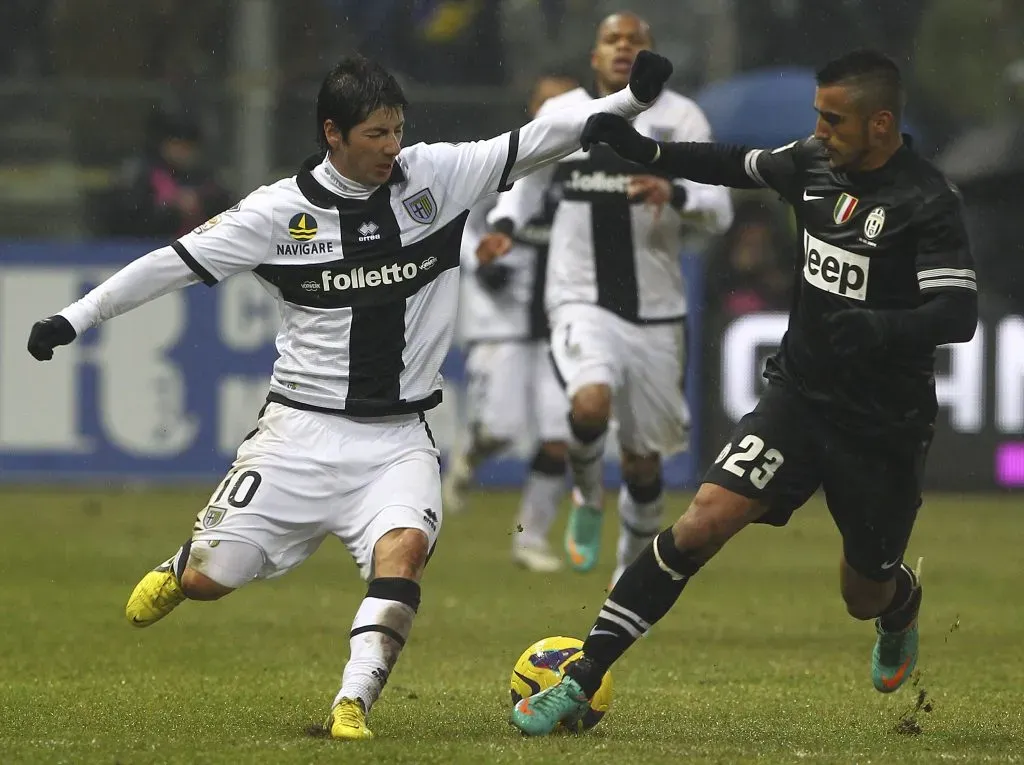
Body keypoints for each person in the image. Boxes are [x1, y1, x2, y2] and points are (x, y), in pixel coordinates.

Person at [26, 51, 673, 741]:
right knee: (216, 577)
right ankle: (186, 565)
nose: (392, 148)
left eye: (397, 130)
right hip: (298, 434)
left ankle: (352, 702)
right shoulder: (278, 213)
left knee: (404, 549)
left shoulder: (437, 177)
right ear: (333, 132)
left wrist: (629, 100)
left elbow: (539, 136)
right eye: (376, 135)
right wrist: (75, 318)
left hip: (399, 436)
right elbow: (169, 265)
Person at [509, 49, 979, 735]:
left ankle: (899, 602)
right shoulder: (813, 164)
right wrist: (644, 149)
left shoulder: (927, 202)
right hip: (798, 399)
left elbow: (957, 314)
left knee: (863, 589)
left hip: (883, 426)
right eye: (817, 115)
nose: (819, 130)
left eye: (833, 118)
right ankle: (582, 677)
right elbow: (734, 163)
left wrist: (878, 328)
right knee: (702, 518)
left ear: (881, 123)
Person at [481, 12, 733, 584]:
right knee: (589, 403)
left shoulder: (681, 117)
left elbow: (719, 209)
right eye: (612, 40)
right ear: (594, 57)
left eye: (635, 41)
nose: (623, 48)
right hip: (579, 297)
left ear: (651, 54)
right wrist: (503, 224)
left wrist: (675, 191)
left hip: (658, 311)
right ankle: (590, 496)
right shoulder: (564, 112)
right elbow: (526, 182)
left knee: (645, 463)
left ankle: (629, 577)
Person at [444, 73, 580, 573]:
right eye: (549, 103)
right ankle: (472, 454)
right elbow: (456, 219)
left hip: (560, 319)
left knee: (557, 432)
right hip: (500, 316)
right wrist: (482, 263)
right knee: (501, 429)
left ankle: (532, 537)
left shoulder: (583, 168)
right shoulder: (505, 161)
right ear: (533, 108)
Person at [100, 109, 232, 239]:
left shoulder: (203, 178)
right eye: (177, 144)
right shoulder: (141, 173)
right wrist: (170, 208)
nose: (183, 152)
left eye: (188, 146)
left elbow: (225, 214)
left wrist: (200, 204)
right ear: (164, 144)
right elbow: (124, 219)